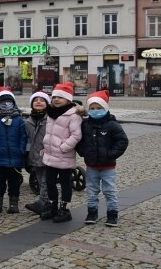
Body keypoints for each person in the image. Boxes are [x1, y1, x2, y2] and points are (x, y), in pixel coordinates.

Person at [77, 90, 129, 227]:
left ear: (105, 108)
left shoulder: (112, 125)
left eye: (99, 108)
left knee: (110, 191)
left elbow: (122, 141)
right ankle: (92, 213)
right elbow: (78, 140)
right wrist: (83, 152)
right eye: (92, 108)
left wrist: (111, 154)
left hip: (108, 166)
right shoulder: (85, 124)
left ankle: (112, 214)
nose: (95, 111)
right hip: (91, 165)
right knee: (91, 190)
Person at [41, 82, 84, 223]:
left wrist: (63, 147)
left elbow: (76, 135)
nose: (56, 100)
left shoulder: (73, 115)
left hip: (64, 155)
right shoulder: (50, 113)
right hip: (50, 155)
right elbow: (49, 133)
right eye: (54, 97)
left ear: (68, 99)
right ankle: (53, 207)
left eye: (60, 97)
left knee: (66, 183)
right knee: (50, 182)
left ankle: (65, 209)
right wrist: (46, 147)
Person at [0, 88, 28, 214]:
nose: (6, 105)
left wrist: (21, 150)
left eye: (9, 102)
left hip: (15, 158)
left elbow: (23, 137)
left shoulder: (19, 120)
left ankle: (14, 203)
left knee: (15, 182)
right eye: (3, 102)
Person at [24, 92, 51, 215]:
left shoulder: (50, 119)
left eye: (42, 100)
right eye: (36, 100)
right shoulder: (28, 121)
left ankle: (43, 202)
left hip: (48, 155)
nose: (39, 102)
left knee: (46, 180)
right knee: (40, 180)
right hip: (34, 155)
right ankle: (46, 203)